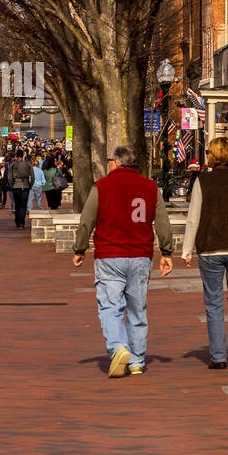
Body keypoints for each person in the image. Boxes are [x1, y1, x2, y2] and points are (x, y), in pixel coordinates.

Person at [73, 145, 174, 377]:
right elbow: (162, 223)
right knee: (138, 308)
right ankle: (137, 360)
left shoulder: (101, 187)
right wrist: (166, 252)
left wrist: (79, 249)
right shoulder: (150, 188)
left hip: (110, 254)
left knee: (110, 305)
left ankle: (118, 347)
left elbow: (86, 220)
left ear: (116, 162)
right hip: (140, 255)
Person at [181, 137, 228, 371]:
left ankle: (218, 356)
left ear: (211, 157)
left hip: (211, 249)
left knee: (213, 303)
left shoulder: (202, 181)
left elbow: (193, 217)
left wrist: (186, 250)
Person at [8, 149, 34, 229]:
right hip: (25, 185)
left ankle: (18, 221)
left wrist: (12, 185)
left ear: (16, 155)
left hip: (16, 185)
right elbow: (32, 177)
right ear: (23, 155)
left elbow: (9, 177)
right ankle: (21, 222)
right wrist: (30, 185)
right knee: (23, 205)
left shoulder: (12, 164)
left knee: (17, 204)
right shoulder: (28, 164)